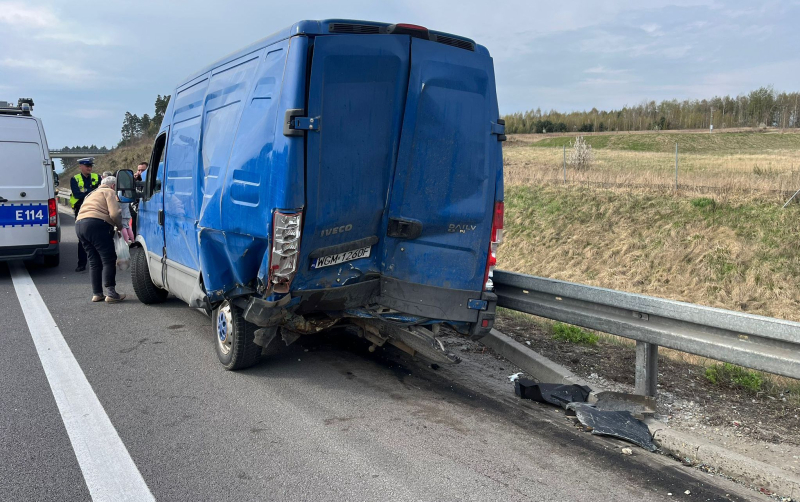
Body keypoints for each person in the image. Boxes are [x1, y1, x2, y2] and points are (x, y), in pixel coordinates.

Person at [75, 176, 126, 303]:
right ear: (113, 185)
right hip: (96, 224)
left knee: (93, 260)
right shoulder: (109, 191)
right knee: (108, 259)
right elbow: (114, 213)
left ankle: (97, 293)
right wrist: (119, 226)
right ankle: (111, 293)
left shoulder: (91, 194)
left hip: (79, 225)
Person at [69, 157, 100, 272]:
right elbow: (77, 195)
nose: (89, 168)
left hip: (95, 209)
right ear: (80, 167)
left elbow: (99, 192)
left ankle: (97, 263)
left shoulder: (97, 177)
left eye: (91, 166)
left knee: (97, 237)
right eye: (87, 166)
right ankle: (81, 264)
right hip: (80, 210)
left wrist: (86, 191)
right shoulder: (75, 179)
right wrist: (91, 191)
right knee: (82, 238)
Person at [131, 161, 148, 234]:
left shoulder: (150, 181)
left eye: (143, 170)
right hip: (136, 211)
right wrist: (133, 180)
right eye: (139, 170)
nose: (140, 172)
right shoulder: (135, 181)